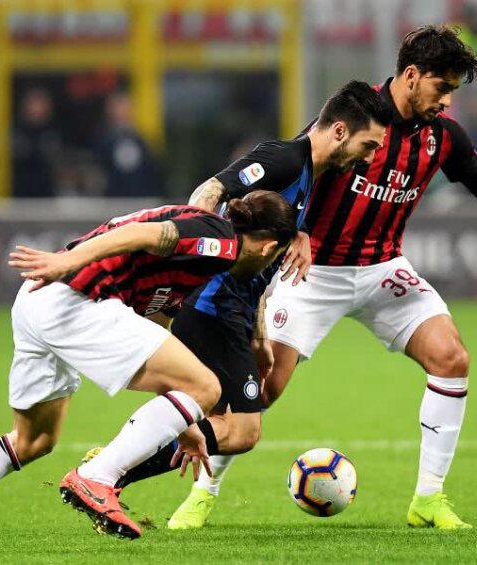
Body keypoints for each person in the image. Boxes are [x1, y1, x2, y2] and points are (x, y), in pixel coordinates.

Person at [167, 25, 477, 531]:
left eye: (454, 91)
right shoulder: (354, 117)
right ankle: (203, 491)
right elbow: (295, 169)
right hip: (314, 273)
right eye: (443, 87)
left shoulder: (443, 137)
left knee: (452, 357)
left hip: (383, 268)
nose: (446, 100)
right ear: (411, 76)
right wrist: (296, 232)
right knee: (262, 390)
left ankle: (429, 500)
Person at [0, 191, 298, 550]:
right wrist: (70, 263)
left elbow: (161, 334)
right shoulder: (220, 240)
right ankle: (97, 476)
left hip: (38, 303)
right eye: (276, 257)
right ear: (268, 248)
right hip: (74, 297)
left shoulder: (204, 261)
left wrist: (183, 422)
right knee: (206, 386)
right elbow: (143, 235)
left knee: (33, 439)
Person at [80, 81, 391, 502]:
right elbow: (209, 192)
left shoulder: (307, 177)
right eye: (369, 145)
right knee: (241, 428)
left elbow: (255, 267)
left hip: (233, 307)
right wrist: (194, 265)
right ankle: (108, 470)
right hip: (212, 303)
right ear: (339, 131)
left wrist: (259, 333)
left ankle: (109, 469)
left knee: (221, 418)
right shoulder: (283, 158)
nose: (370, 158)